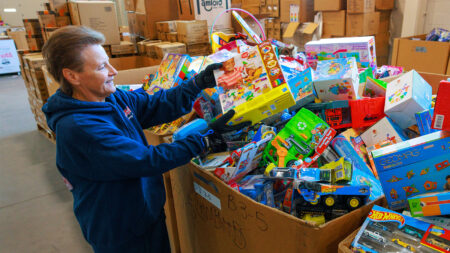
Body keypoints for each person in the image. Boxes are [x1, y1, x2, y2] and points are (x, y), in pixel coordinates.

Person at [41, 26, 224, 253]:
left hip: (143, 214)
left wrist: (197, 83)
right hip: (121, 233)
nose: (113, 71)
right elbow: (147, 160)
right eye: (101, 67)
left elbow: (154, 105)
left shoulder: (109, 97)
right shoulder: (80, 128)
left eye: (108, 62)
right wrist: (204, 140)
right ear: (72, 76)